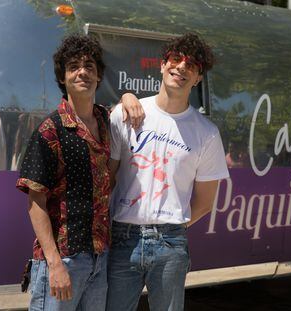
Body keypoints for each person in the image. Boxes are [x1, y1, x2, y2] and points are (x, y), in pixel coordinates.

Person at [16, 34, 143, 311]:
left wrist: (128, 95)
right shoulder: (50, 130)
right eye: (73, 66)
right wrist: (54, 264)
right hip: (64, 259)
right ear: (63, 77)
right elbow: (35, 201)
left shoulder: (107, 121)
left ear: (98, 76)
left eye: (89, 66)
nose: (82, 71)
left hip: (99, 257)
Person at [107, 32, 230, 311]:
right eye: (176, 59)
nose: (182, 68)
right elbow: (108, 178)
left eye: (192, 65)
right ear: (162, 65)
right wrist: (125, 96)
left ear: (198, 78)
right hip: (123, 238)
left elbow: (205, 202)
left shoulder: (207, 133)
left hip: (171, 244)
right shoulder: (126, 114)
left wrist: (170, 228)